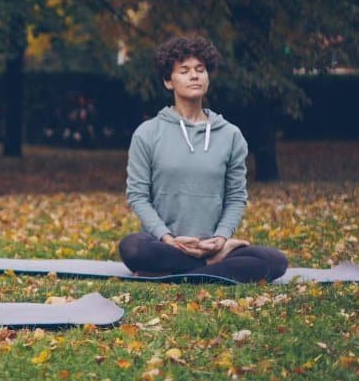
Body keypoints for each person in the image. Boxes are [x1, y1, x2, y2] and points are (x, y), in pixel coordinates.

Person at [118, 35, 288, 282]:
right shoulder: (147, 133)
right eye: (184, 70)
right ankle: (208, 267)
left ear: (208, 77)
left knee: (275, 261)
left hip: (214, 245)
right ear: (169, 81)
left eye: (200, 69)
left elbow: (236, 197)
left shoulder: (231, 135)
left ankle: (180, 269)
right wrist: (167, 238)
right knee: (132, 248)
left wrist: (220, 239)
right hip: (162, 245)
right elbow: (138, 196)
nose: (194, 75)